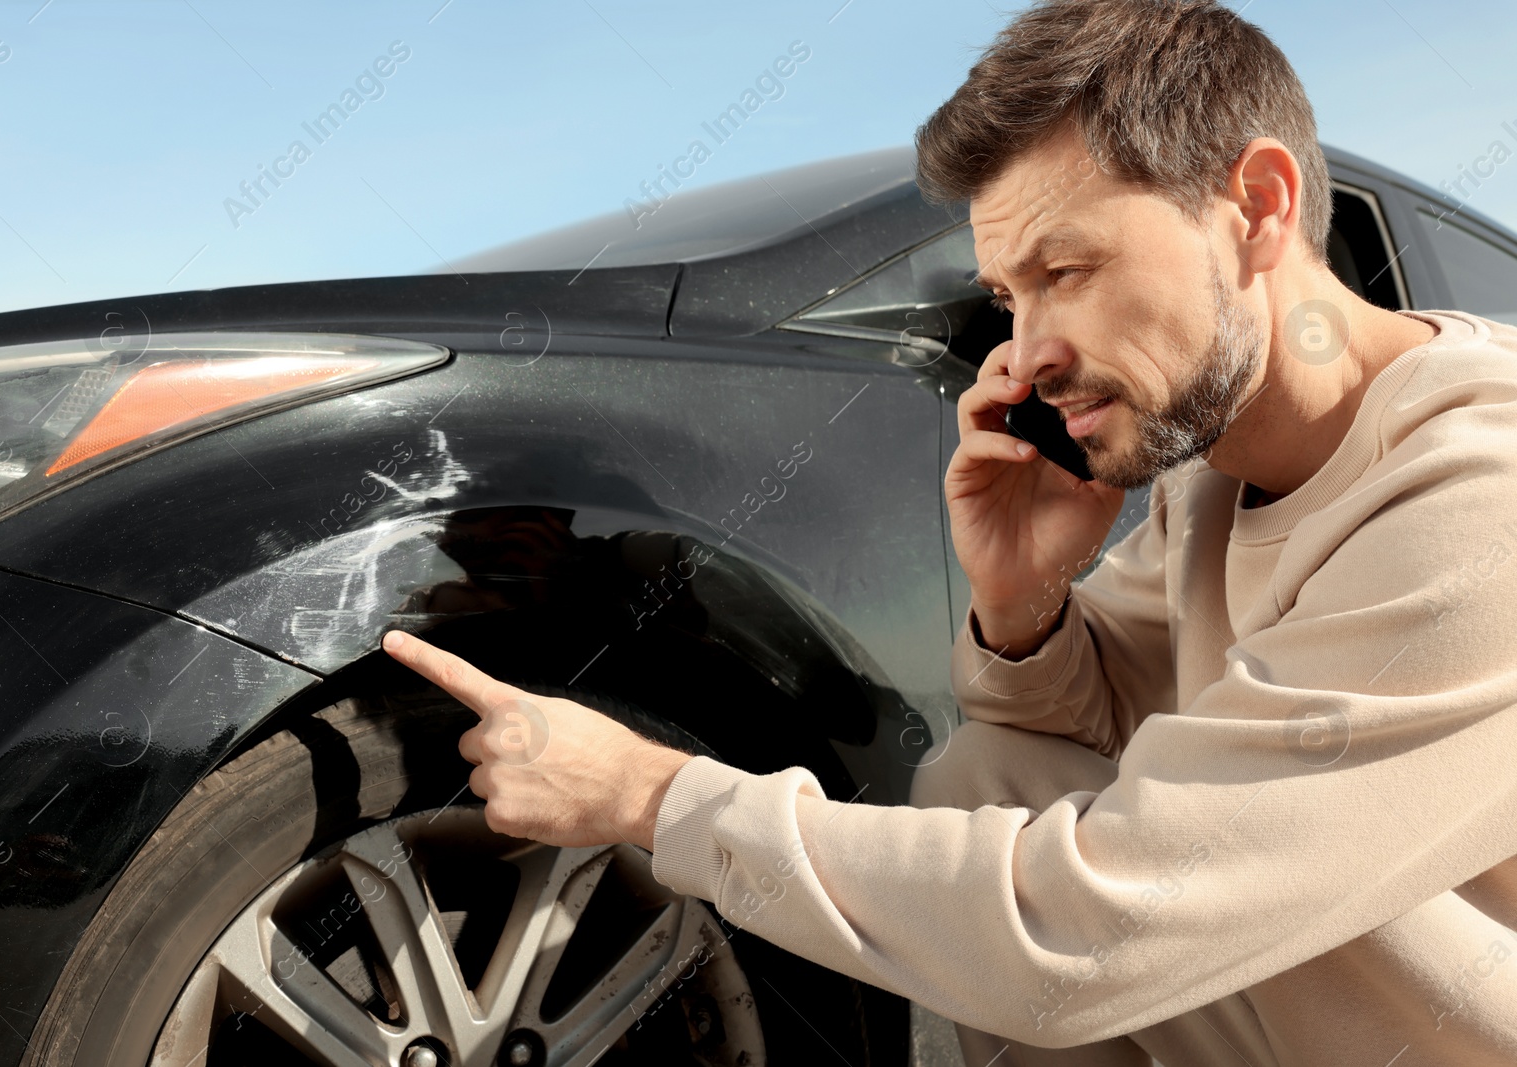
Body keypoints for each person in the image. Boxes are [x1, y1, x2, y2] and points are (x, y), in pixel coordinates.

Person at [382, 0, 1517, 1063]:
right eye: (1007, 298)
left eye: (1065, 270)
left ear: (1257, 207)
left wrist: (656, 796)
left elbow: (1100, 918)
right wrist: (1022, 600)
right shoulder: (1209, 480)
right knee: (991, 770)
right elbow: (1078, 730)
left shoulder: (1483, 492)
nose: (1025, 355)